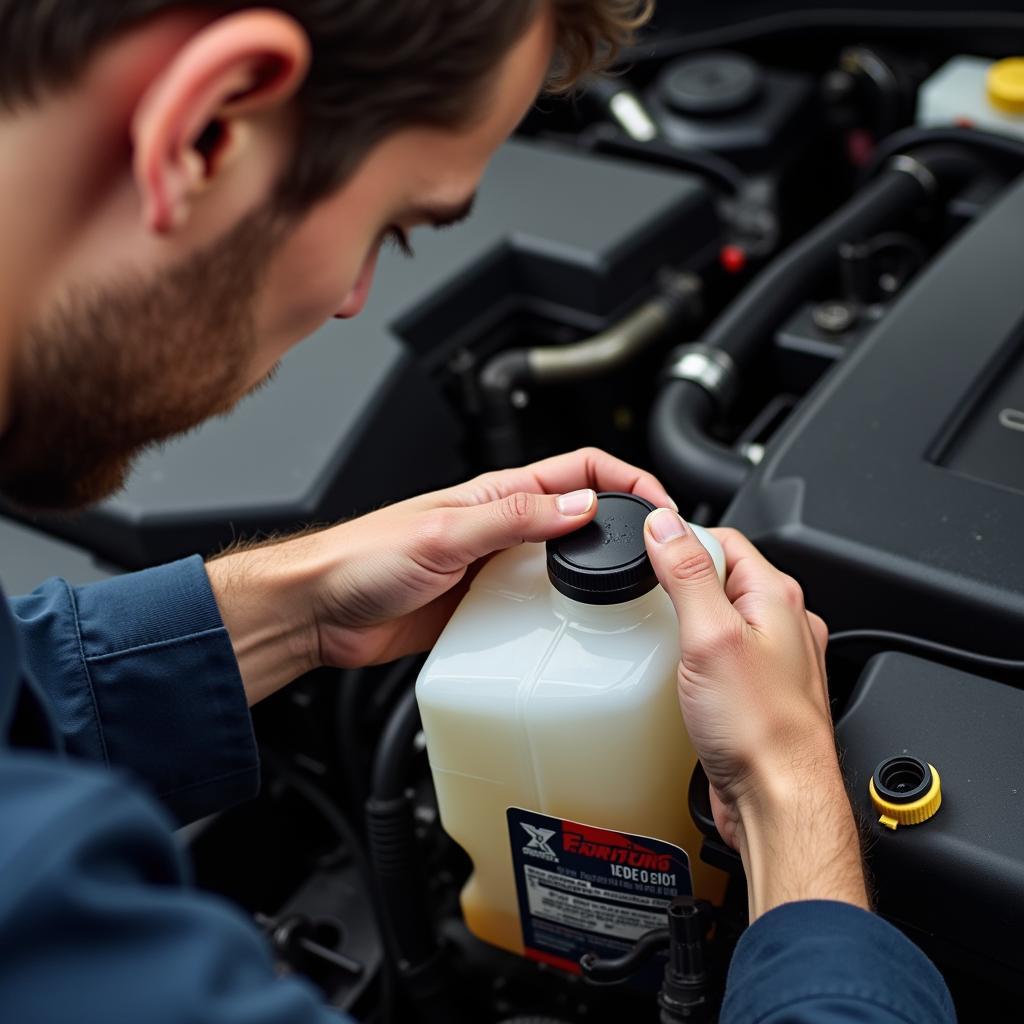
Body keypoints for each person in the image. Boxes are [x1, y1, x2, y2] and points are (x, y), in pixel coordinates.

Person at [0, 2, 955, 1022]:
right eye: (392, 226)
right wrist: (787, 795)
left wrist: (296, 609)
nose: (352, 300)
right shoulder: (49, 923)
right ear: (210, 126)